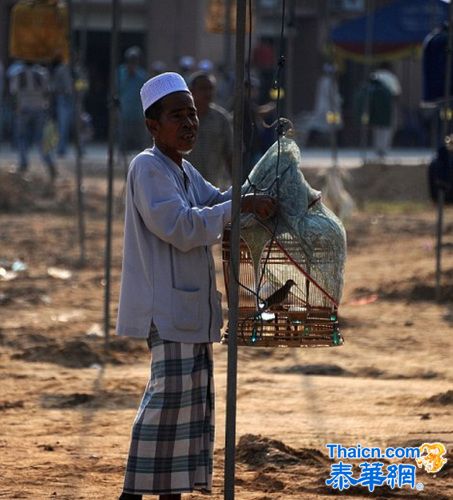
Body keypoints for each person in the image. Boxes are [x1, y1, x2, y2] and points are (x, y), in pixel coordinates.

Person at [116, 72, 276, 500]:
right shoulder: (148, 168)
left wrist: (258, 187)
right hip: (166, 312)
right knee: (163, 411)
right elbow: (182, 226)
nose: (189, 123)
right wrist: (239, 205)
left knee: (187, 417)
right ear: (153, 125)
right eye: (177, 116)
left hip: (190, 313)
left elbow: (215, 200)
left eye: (191, 115)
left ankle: (173, 494)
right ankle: (131, 495)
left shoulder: (182, 169)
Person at [9, 60, 57, 181]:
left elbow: (13, 92)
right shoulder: (42, 73)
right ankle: (49, 162)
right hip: (40, 108)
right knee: (41, 139)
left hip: (23, 108)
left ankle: (23, 163)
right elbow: (48, 92)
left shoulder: (18, 74)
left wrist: (16, 107)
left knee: (21, 137)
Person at [186, 71, 233, 187]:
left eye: (210, 88)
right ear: (191, 92)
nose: (208, 93)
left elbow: (231, 155)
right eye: (202, 89)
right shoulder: (182, 119)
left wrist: (237, 187)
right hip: (184, 189)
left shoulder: (221, 119)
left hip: (212, 189)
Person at [118, 46, 149, 160]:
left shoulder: (142, 75)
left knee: (140, 138)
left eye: (134, 61)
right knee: (123, 136)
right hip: (124, 111)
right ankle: (121, 157)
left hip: (138, 112)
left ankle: (142, 158)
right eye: (130, 60)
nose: (132, 63)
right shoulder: (120, 73)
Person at [50, 52, 73, 157]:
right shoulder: (60, 69)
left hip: (73, 99)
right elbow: (53, 86)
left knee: (71, 124)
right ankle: (61, 149)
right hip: (62, 98)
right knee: (62, 125)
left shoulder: (75, 70)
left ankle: (78, 149)